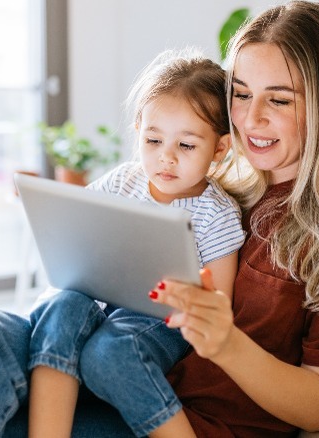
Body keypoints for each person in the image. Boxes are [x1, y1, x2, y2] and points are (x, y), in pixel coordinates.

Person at [0, 2, 319, 437]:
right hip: (96, 353)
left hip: (169, 414)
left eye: (279, 99)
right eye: (242, 94)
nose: (252, 119)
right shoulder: (221, 177)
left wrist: (224, 340)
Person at [26, 49, 244, 438]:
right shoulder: (121, 182)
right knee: (61, 305)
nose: (166, 158)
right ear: (139, 130)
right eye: (154, 140)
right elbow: (75, 231)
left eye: (186, 146)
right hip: (101, 301)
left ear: (220, 148)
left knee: (114, 349)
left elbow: (218, 303)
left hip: (161, 321)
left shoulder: (216, 213)